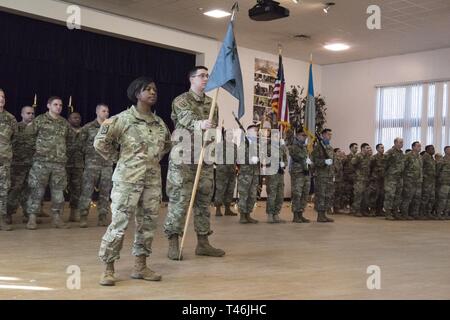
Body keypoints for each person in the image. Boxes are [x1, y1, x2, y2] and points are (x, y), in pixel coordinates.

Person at [94, 77, 171, 286]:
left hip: (152, 181)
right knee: (119, 224)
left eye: (155, 89)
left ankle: (140, 266)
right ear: (137, 94)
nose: (153, 92)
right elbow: (101, 142)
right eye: (147, 89)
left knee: (147, 224)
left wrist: (151, 160)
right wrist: (119, 160)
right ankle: (108, 268)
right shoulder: (122, 119)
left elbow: (166, 145)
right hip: (127, 181)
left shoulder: (159, 123)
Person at [164, 66, 225, 260]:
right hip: (183, 159)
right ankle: (174, 242)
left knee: (203, 201)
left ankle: (203, 243)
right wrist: (200, 124)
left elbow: (213, 128)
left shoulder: (212, 103)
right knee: (180, 201)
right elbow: (185, 118)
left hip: (204, 158)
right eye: (202, 76)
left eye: (208, 76)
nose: (206, 78)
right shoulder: (181, 100)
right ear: (191, 79)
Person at [26, 96, 70, 230]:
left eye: (60, 105)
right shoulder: (39, 120)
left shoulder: (64, 123)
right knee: (37, 191)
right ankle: (32, 218)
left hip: (58, 164)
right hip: (41, 163)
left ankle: (57, 218)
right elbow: (28, 137)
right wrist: (38, 152)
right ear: (48, 105)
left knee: (58, 193)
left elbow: (68, 140)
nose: (58, 107)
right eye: (55, 104)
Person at [78, 104, 114, 228]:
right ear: (97, 112)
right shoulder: (88, 127)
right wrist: (89, 153)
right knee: (87, 192)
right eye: (104, 111)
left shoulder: (111, 128)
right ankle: (83, 216)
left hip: (107, 165)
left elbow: (115, 146)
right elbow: (79, 144)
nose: (106, 113)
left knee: (105, 193)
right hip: (91, 165)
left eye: (108, 111)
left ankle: (102, 217)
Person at [6, 106, 35, 224]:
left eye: (32, 113)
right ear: (22, 114)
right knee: (15, 189)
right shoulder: (15, 127)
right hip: (17, 164)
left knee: (30, 190)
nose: (31, 115)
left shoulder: (37, 128)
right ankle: (8, 213)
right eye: (28, 113)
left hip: (32, 164)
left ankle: (27, 214)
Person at [0, 88, 17, 231]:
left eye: (3, 96)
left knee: (3, 190)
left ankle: (1, 219)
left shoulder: (10, 118)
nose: (1, 99)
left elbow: (14, 138)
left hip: (4, 161)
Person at [237, 124, 261, 224]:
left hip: (254, 173)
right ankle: (242, 215)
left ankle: (248, 215)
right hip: (245, 174)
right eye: (255, 131)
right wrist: (250, 159)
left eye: (257, 131)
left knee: (252, 195)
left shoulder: (256, 145)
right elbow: (239, 158)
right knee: (244, 194)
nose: (257, 133)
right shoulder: (243, 144)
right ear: (249, 132)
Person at [311, 128, 335, 222]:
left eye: (331, 134)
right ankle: (320, 215)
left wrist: (333, 173)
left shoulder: (330, 148)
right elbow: (315, 161)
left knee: (327, 195)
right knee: (321, 195)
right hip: (321, 175)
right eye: (328, 134)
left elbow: (333, 162)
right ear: (323, 135)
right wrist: (324, 161)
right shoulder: (318, 147)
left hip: (329, 175)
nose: (330, 136)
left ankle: (324, 214)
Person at [264, 130, 288, 223]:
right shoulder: (268, 147)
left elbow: (285, 159)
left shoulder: (281, 148)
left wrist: (284, 164)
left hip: (280, 173)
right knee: (272, 194)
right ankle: (270, 214)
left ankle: (276, 214)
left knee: (280, 195)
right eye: (274, 136)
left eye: (277, 136)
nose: (276, 138)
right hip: (272, 174)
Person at [288, 129, 311, 222]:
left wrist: (309, 163)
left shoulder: (304, 147)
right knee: (297, 194)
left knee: (305, 194)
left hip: (305, 172)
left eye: (305, 136)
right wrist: (305, 159)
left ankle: (301, 213)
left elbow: (306, 158)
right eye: (302, 135)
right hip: (297, 173)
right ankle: (295, 216)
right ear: (297, 136)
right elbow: (297, 156)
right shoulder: (294, 146)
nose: (304, 137)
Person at [214, 129, 237, 217]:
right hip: (222, 171)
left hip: (231, 171)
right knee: (220, 189)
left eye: (232, 134)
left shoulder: (234, 146)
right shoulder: (219, 145)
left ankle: (227, 209)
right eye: (229, 134)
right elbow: (215, 157)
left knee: (230, 189)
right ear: (225, 135)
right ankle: (218, 209)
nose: (231, 135)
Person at [66, 112, 84, 222]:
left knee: (77, 189)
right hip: (65, 164)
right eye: (74, 117)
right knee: (60, 189)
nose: (77, 119)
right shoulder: (64, 130)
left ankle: (74, 213)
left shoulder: (84, 131)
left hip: (78, 164)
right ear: (69, 119)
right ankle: (59, 214)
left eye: (79, 118)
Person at [383, 137, 405, 220]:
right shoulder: (390, 152)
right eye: (400, 142)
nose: (401, 144)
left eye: (402, 142)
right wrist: (387, 173)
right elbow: (383, 163)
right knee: (390, 195)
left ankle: (395, 211)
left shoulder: (401, 153)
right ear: (395, 143)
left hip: (399, 178)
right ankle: (388, 212)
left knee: (398, 196)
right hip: (391, 178)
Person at [400, 141, 423, 220]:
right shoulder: (408, 156)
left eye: (420, 146)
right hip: (409, 181)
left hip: (418, 181)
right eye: (418, 146)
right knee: (407, 198)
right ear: (413, 147)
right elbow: (403, 167)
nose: (420, 147)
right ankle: (404, 214)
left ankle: (414, 214)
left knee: (417, 198)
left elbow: (420, 169)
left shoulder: (420, 157)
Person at [351, 143, 372, 217]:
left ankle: (363, 210)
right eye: (367, 148)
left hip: (366, 179)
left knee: (365, 196)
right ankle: (356, 210)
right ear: (363, 148)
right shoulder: (358, 156)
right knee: (358, 195)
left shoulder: (368, 157)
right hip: (359, 179)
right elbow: (352, 163)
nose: (368, 149)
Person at [420, 145, 437, 219]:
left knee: (432, 198)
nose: (433, 150)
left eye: (433, 149)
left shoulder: (431, 158)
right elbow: (420, 168)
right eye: (432, 149)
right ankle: (422, 213)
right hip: (426, 181)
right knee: (425, 198)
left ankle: (428, 213)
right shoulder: (424, 157)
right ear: (427, 150)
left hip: (432, 181)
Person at [367, 143, 385, 216]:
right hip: (375, 179)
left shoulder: (385, 157)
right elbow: (369, 168)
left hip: (383, 179)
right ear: (377, 149)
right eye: (381, 148)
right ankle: (373, 210)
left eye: (383, 148)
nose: (383, 149)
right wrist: (371, 177)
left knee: (382, 195)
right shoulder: (373, 158)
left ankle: (380, 210)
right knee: (374, 195)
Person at [435, 146, 450, 220]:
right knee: (442, 199)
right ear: (445, 151)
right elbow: (437, 171)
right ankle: (439, 213)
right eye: (448, 149)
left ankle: (446, 213)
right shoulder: (441, 160)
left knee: (449, 200)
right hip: (444, 182)